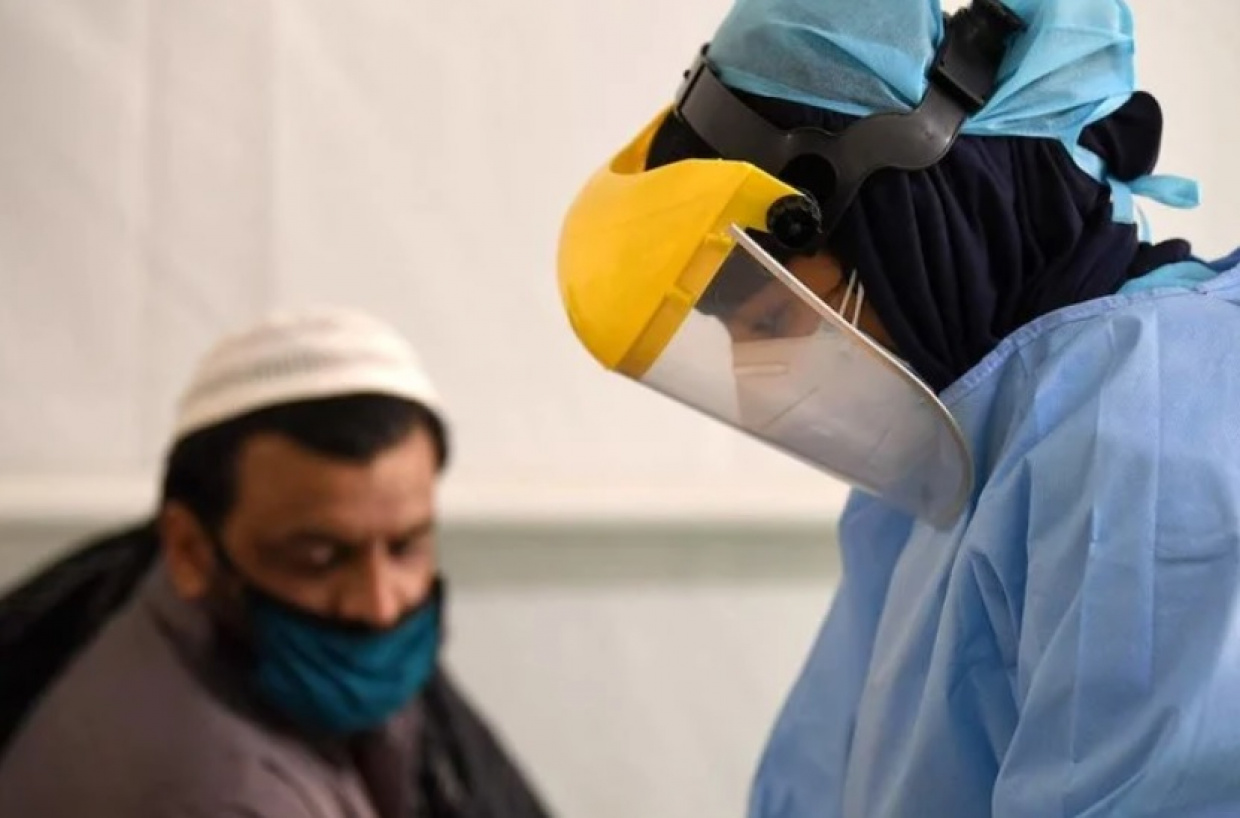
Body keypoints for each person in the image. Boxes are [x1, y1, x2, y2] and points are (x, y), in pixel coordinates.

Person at [557, 0, 1240, 815]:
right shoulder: (948, 455)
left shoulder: (1150, 430)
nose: (751, 378)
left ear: (906, 225)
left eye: (771, 320)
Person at [0, 307, 550, 818]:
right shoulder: (223, 795)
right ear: (190, 550)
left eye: (405, 547)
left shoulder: (188, 615)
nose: (379, 606)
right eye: (318, 559)